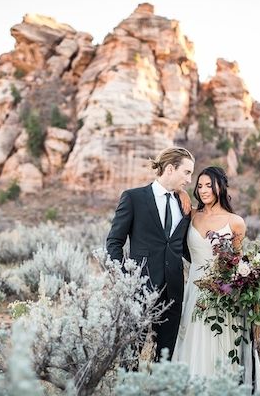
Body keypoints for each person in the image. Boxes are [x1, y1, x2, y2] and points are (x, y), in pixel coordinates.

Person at [171, 166, 260, 395]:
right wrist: (182, 192)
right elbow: (170, 189)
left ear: (220, 187)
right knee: (194, 343)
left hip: (224, 294)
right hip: (194, 291)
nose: (203, 190)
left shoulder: (236, 222)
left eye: (208, 185)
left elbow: (237, 264)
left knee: (222, 345)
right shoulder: (192, 214)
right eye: (199, 185)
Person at [106, 146, 195, 362]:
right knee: (131, 358)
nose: (189, 180)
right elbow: (114, 242)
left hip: (173, 293)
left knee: (165, 360)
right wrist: (126, 281)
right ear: (171, 169)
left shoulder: (184, 205)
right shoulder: (133, 198)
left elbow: (183, 247)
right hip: (139, 291)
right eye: (187, 172)